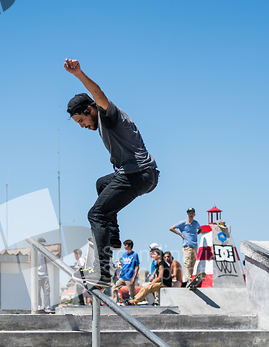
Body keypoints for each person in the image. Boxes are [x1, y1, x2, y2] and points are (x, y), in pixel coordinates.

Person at [64, 58, 159, 286]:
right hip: (142, 174)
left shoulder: (109, 115)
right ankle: (113, 237)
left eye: (81, 120)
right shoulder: (104, 121)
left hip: (136, 174)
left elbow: (98, 93)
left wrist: (79, 73)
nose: (82, 126)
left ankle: (103, 272)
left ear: (90, 109)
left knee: (96, 215)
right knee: (101, 184)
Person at [170, 208, 201, 284]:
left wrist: (197, 234)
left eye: (192, 213)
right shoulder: (183, 223)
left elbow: (200, 229)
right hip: (187, 246)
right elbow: (171, 228)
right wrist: (180, 234)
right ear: (187, 214)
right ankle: (188, 280)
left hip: (194, 246)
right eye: (189, 213)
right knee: (187, 263)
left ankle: (192, 278)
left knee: (193, 263)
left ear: (194, 214)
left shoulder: (196, 223)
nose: (191, 215)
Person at [29, 237, 51, 312]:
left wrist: (47, 272)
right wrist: (33, 271)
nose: (43, 246)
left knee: (47, 291)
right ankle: (38, 305)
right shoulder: (33, 250)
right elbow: (29, 261)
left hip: (45, 274)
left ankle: (47, 306)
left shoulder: (44, 251)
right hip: (37, 274)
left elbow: (45, 261)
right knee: (37, 292)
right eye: (42, 244)